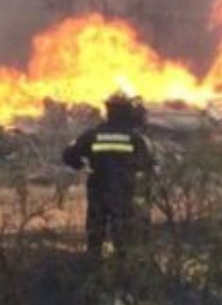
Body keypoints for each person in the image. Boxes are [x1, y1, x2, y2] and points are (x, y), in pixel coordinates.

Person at [62, 93, 154, 258]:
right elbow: (147, 165)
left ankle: (93, 265)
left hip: (98, 190)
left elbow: (68, 155)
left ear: (108, 111)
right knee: (123, 235)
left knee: (96, 232)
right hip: (124, 192)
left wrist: (82, 166)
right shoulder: (135, 139)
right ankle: (121, 270)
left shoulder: (92, 135)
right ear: (127, 112)